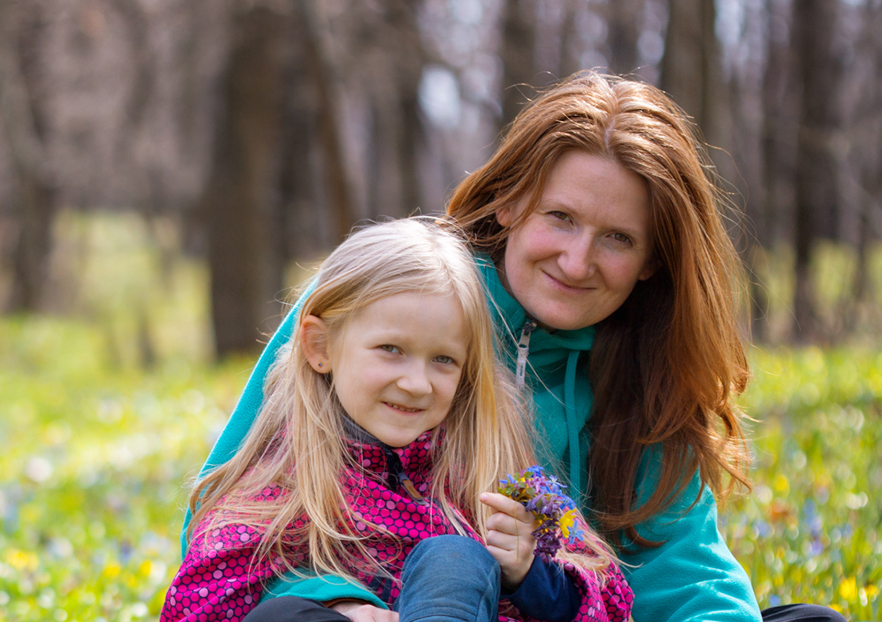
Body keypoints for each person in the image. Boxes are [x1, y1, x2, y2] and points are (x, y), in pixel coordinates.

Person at [189, 72, 845, 622]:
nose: (577, 259)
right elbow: (232, 519)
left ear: (652, 261)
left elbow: (681, 570)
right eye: (560, 217)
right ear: (510, 202)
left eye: (617, 237)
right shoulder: (395, 300)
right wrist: (342, 604)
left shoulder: (649, 369)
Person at [164, 218, 632, 622]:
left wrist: (529, 574)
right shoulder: (289, 469)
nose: (416, 383)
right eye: (391, 350)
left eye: (443, 360)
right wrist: (337, 602)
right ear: (320, 347)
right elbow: (203, 596)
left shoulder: (489, 463)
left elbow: (605, 596)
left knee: (452, 557)